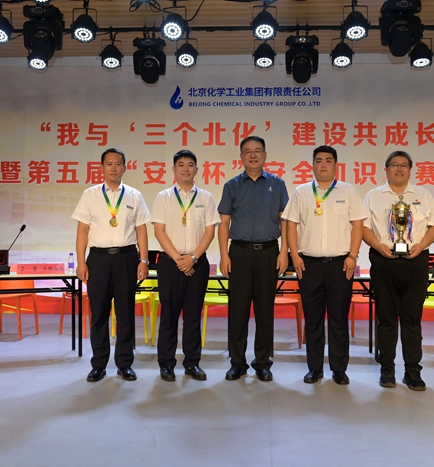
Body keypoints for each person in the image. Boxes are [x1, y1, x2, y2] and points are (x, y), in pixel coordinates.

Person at [283, 145, 366, 385]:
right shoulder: (301, 192)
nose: (323, 164)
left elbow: (358, 225)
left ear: (336, 165)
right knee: (313, 319)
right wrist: (294, 256)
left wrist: (353, 256)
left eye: (328, 160)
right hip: (309, 265)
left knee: (339, 319)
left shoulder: (348, 191)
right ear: (312, 165)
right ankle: (315, 368)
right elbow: (291, 225)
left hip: (340, 265)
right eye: (318, 160)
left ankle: (339, 369)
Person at [362, 150, 434, 391]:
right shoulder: (373, 196)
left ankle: (412, 370)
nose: (399, 169)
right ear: (386, 169)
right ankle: (387, 367)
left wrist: (421, 245)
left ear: (410, 170)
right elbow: (363, 227)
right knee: (386, 318)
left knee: (412, 318)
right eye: (394, 164)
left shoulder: (423, 195)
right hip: (383, 261)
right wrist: (378, 245)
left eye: (404, 165)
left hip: (415, 262)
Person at [72, 148, 151, 383]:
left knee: (125, 314)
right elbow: (82, 231)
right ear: (102, 167)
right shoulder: (90, 195)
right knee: (99, 314)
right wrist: (81, 262)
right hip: (98, 259)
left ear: (125, 167)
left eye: (118, 164)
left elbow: (141, 231)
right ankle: (98, 364)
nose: (114, 168)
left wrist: (143, 260)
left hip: (127, 258)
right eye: (109, 164)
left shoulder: (134, 195)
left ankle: (125, 364)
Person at [218, 135, 289, 382]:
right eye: (247, 151)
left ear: (265, 155)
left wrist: (284, 252)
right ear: (241, 156)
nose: (253, 155)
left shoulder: (277, 184)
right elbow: (224, 223)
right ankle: (237, 363)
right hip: (239, 253)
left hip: (269, 253)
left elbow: (284, 221)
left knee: (264, 311)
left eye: (258, 150)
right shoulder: (232, 186)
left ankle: (262, 363)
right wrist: (224, 255)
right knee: (237, 311)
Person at [151, 150, 220, 382]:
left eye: (190, 165)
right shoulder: (163, 197)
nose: (185, 169)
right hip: (170, 264)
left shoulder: (206, 198)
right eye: (181, 165)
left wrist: (193, 258)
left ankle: (192, 363)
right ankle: (166, 364)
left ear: (196, 170)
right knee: (169, 316)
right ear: (174, 169)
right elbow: (159, 232)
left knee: (193, 316)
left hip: (197, 264)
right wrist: (180, 260)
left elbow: (210, 232)